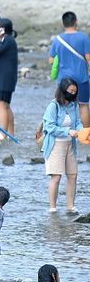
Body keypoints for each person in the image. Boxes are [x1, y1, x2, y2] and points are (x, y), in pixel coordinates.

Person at [41, 78, 81, 214]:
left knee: (73, 175)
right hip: (55, 145)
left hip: (70, 144)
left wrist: (81, 131)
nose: (73, 94)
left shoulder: (74, 105)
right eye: (71, 91)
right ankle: (52, 208)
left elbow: (78, 122)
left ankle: (70, 206)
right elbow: (49, 127)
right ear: (63, 91)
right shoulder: (54, 106)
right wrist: (67, 131)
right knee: (56, 177)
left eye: (75, 92)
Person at [47, 12, 90, 130]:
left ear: (63, 23)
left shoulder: (58, 39)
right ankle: (86, 134)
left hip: (64, 81)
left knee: (63, 106)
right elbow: (88, 58)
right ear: (76, 21)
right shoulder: (84, 37)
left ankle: (66, 132)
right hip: (82, 78)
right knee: (83, 106)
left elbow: (51, 60)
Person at [0, 18, 18, 138]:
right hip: (4, 78)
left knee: (2, 106)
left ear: (3, 29)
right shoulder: (7, 40)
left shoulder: (8, 40)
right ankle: (10, 133)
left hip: (3, 79)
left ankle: (3, 134)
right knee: (5, 105)